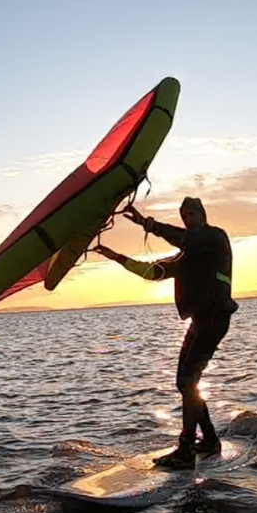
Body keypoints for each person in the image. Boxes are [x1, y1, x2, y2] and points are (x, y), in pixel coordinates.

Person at [94, 197, 238, 469]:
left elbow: (186, 238)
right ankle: (208, 439)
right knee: (185, 383)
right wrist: (115, 257)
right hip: (199, 322)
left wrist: (145, 223)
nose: (187, 217)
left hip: (215, 319)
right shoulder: (183, 255)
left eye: (192, 213)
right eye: (184, 214)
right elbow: (151, 272)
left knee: (187, 382)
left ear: (202, 215)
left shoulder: (214, 237)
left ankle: (186, 450)